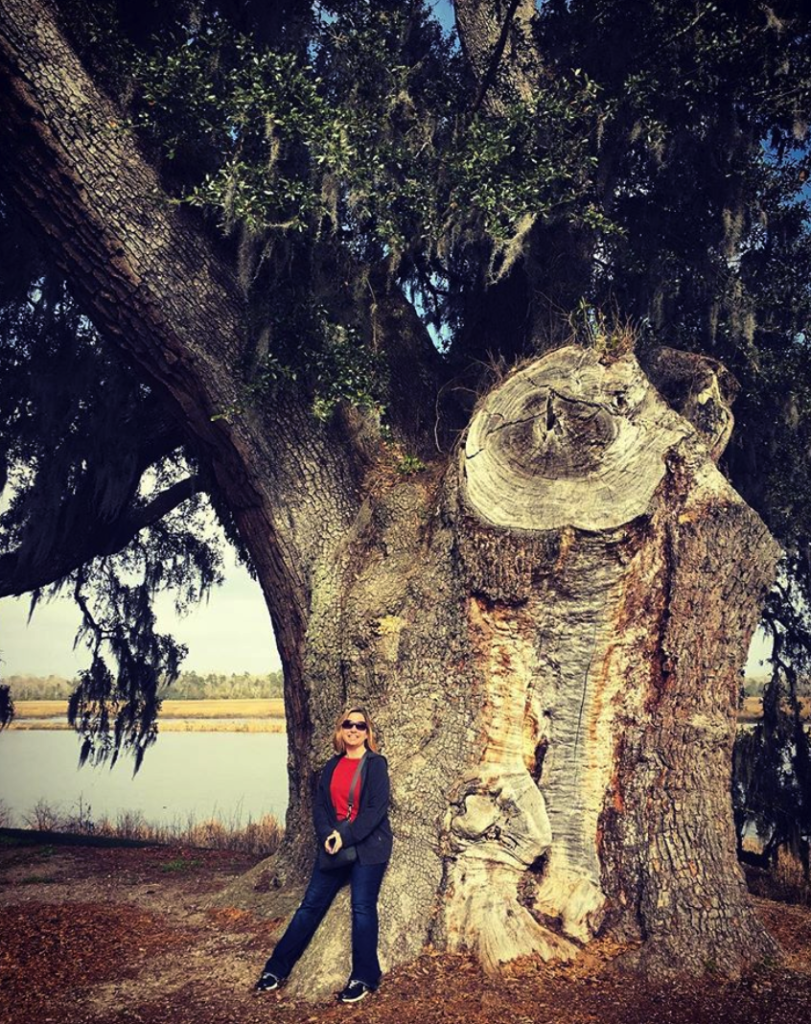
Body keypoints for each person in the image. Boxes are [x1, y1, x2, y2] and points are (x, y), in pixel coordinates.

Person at [254, 706, 392, 1003]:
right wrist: (328, 835)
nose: (353, 730)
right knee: (310, 906)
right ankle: (276, 970)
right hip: (333, 846)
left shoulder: (376, 764)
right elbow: (319, 807)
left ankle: (364, 977)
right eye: (348, 725)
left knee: (362, 908)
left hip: (369, 847)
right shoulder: (332, 765)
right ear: (340, 730)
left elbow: (375, 811)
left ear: (368, 733)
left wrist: (343, 835)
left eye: (360, 726)